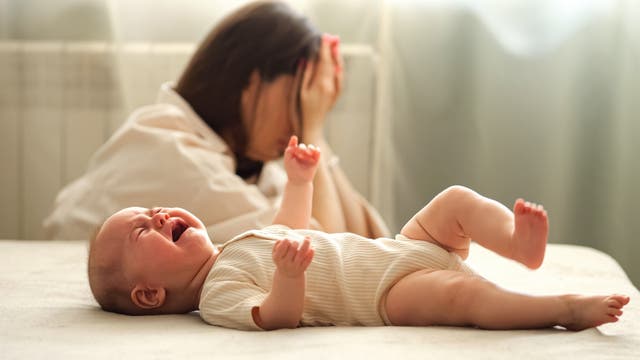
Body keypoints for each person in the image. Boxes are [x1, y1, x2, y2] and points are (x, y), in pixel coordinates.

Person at [88, 135, 629, 332]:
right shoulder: (217, 297)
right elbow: (275, 317)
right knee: (463, 296)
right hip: (383, 295)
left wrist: (300, 179)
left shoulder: (235, 245)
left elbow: (290, 226)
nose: (159, 215)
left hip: (401, 248)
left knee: (455, 201)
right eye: (143, 230)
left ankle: (519, 244)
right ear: (150, 294)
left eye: (153, 210)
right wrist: (288, 277)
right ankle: (562, 309)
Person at [44, 0, 388, 243]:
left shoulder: (240, 163)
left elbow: (371, 245)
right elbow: (326, 251)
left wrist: (318, 135)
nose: (300, 119)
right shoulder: (175, 152)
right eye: (299, 99)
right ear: (251, 83)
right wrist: (313, 130)